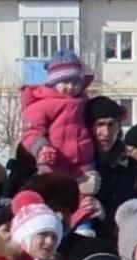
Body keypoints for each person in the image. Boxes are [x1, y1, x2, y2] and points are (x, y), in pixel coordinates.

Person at [19, 50, 97, 181]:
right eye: (65, 83)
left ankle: (86, 199)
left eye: (75, 83)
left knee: (86, 191)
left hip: (83, 161)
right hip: (54, 160)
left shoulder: (83, 101)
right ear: (53, 83)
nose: (71, 87)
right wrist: (41, 147)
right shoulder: (42, 105)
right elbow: (31, 132)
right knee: (55, 191)